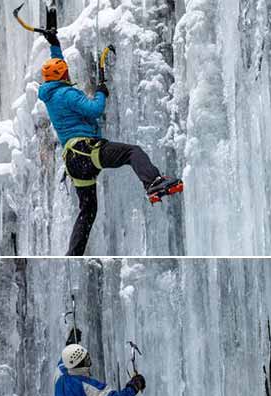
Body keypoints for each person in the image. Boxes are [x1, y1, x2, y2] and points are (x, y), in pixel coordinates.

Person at [37, 27, 183, 256]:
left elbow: (57, 66)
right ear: (63, 76)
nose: (67, 75)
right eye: (65, 72)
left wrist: (54, 44)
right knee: (132, 152)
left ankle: (73, 255)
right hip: (86, 150)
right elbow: (95, 109)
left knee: (87, 210)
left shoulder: (50, 94)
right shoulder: (68, 94)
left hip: (73, 162)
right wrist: (101, 92)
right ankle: (153, 181)